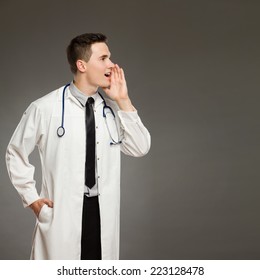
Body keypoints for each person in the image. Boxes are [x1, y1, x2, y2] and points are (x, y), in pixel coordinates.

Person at [5, 33, 151, 260]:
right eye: (103, 58)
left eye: (109, 58)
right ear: (81, 65)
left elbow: (140, 147)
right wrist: (32, 198)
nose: (111, 65)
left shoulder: (113, 109)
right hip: (62, 213)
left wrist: (123, 100)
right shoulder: (45, 107)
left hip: (101, 212)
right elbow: (15, 152)